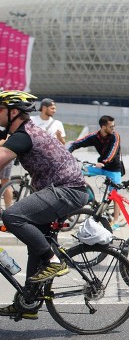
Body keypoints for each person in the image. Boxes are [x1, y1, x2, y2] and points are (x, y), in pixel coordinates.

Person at [0, 91, 89, 318]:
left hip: (67, 190)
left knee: (12, 216)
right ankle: (28, 302)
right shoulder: (18, 133)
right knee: (34, 244)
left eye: (0, 109)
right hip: (57, 190)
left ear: (14, 113)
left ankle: (53, 260)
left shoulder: (23, 135)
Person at [67, 115, 124, 228]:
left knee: (115, 194)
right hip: (101, 167)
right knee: (78, 172)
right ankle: (89, 197)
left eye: (114, 126)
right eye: (111, 126)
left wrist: (105, 162)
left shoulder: (115, 136)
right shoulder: (94, 137)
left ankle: (116, 220)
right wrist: (68, 152)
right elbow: (77, 143)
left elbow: (112, 153)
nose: (113, 128)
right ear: (103, 127)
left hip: (113, 168)